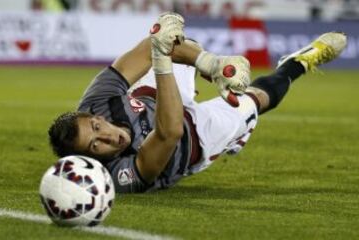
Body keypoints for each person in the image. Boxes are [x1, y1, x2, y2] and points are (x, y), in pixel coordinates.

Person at [48, 12, 347, 193]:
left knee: (169, 38)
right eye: (96, 145)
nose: (109, 136)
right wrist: (163, 60)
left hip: (151, 95)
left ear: (92, 115)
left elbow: (147, 47)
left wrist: (211, 64)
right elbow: (169, 132)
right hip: (193, 139)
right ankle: (298, 63)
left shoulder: (96, 100)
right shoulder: (116, 175)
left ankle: (209, 67)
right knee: (260, 98)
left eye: (97, 126)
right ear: (90, 159)